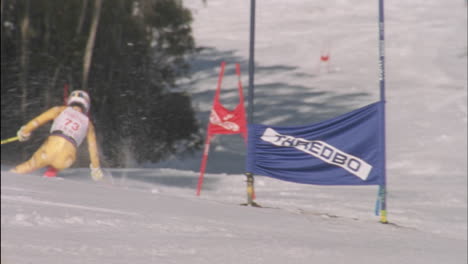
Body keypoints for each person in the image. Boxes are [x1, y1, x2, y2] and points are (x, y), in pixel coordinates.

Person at [10, 90, 103, 180]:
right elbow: (92, 148)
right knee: (54, 167)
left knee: (30, 165)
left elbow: (38, 121)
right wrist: (95, 168)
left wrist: (25, 132)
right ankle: (49, 176)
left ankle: (10, 176)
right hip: (67, 157)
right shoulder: (88, 124)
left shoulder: (59, 110)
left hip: (49, 148)